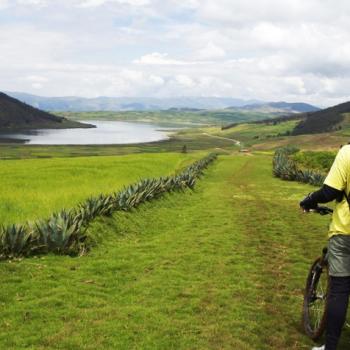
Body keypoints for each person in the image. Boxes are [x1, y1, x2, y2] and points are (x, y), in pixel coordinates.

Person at [300, 145, 350, 350]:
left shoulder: (347, 153)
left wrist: (309, 200)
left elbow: (330, 191)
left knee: (339, 291)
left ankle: (330, 348)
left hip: (345, 232)